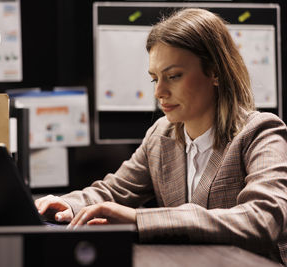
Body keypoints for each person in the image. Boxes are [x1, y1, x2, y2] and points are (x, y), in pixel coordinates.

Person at [35, 8, 287, 264]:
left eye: (173, 76)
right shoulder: (161, 135)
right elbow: (115, 191)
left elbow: (262, 219)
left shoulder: (260, 132)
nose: (159, 92)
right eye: (155, 79)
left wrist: (139, 219)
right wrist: (68, 205)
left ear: (215, 72)